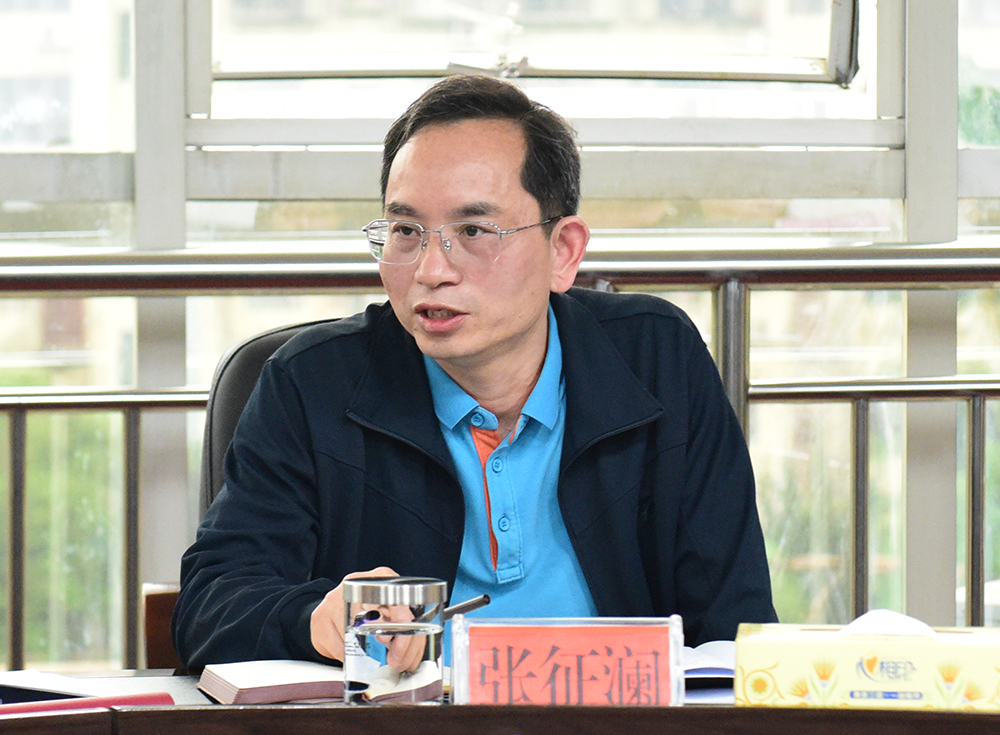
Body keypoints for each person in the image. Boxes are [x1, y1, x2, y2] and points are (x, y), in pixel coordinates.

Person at [172, 74, 777, 671]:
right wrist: (317, 620)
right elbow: (211, 604)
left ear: (563, 251)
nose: (431, 270)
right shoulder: (312, 383)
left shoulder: (656, 359)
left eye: (473, 231)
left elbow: (734, 624)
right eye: (406, 231)